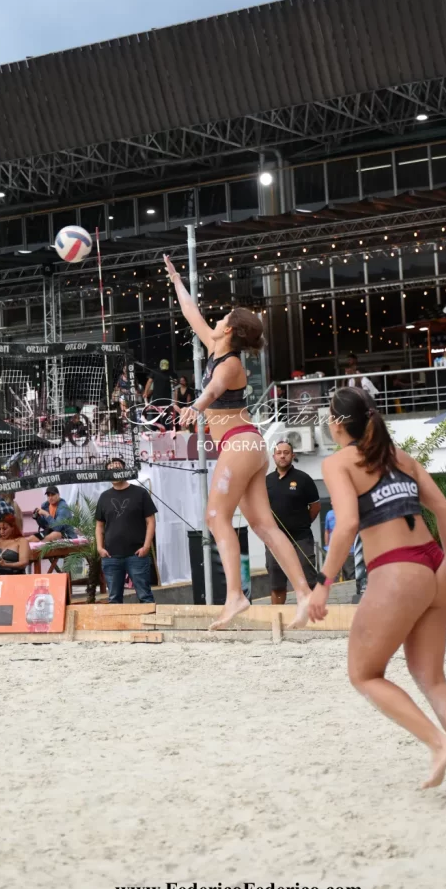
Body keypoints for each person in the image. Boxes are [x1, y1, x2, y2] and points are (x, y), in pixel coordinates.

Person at [308, 386, 446, 797]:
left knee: (364, 674)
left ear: (337, 423)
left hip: (397, 569)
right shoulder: (400, 457)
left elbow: (347, 524)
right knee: (433, 678)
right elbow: (444, 509)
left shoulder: (338, 462)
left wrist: (322, 584)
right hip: (434, 564)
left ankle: (439, 744)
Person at [165, 252, 313, 629]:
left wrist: (195, 407)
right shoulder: (215, 347)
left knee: (216, 516)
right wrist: (177, 280)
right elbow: (191, 313)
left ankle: (235, 596)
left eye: (224, 317)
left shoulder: (230, 363)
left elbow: (213, 390)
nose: (217, 319)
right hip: (247, 446)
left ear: (230, 329)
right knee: (263, 526)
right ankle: (305, 595)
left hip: (240, 444)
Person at [265, 440, 321, 602]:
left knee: (308, 581)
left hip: (301, 538)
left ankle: (312, 613)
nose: (282, 456)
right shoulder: (266, 481)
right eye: (279, 453)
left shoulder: (304, 479)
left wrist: (302, 523)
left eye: (286, 452)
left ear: (292, 455)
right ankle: (277, 615)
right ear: (274, 456)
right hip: (275, 540)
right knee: (277, 585)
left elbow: (315, 507)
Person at [95, 457, 157, 604]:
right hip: (111, 557)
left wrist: (146, 547)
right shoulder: (104, 497)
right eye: (111, 470)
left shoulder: (140, 493)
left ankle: (150, 620)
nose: (114, 472)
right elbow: (99, 526)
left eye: (117, 468)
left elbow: (151, 521)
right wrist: (100, 548)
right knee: (114, 599)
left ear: (124, 470)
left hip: (137, 555)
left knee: (145, 596)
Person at [324, 507, 367, 595]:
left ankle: (352, 594)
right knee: (332, 576)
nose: (332, 502)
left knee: (350, 575)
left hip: (349, 551)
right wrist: (327, 545)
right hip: (333, 551)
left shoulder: (350, 512)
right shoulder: (329, 514)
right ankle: (333, 595)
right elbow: (327, 531)